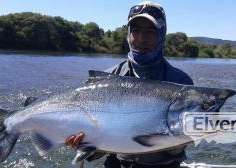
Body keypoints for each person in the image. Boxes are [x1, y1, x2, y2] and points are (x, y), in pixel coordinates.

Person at [65, 1, 193, 168]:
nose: (141, 39)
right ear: (128, 34)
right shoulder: (109, 77)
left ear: (162, 35)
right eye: (136, 30)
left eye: (150, 31)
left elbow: (178, 146)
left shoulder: (181, 84)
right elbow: (100, 148)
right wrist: (84, 143)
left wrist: (182, 137)